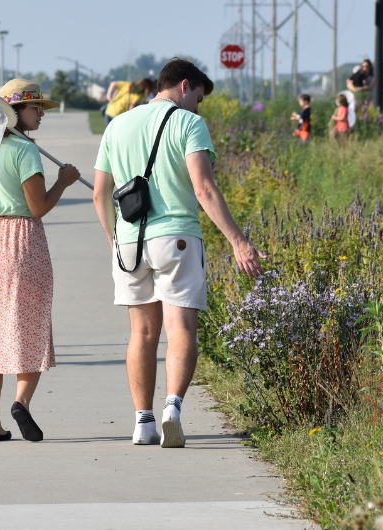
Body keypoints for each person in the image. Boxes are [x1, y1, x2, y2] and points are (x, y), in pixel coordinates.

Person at [93, 58, 265, 448]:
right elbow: (203, 188)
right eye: (199, 98)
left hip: (130, 243)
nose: (198, 107)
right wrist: (239, 241)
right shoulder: (189, 124)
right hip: (178, 239)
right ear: (185, 86)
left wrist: (114, 241)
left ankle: (143, 422)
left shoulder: (117, 125)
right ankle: (173, 408)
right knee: (180, 329)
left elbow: (99, 194)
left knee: (142, 332)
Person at [0, 80, 80, 443]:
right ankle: (22, 403)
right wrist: (64, 182)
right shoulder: (25, 150)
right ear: (15, 113)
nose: (41, 114)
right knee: (30, 327)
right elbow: (38, 206)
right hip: (20, 242)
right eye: (35, 108)